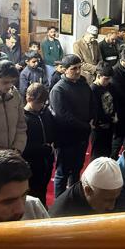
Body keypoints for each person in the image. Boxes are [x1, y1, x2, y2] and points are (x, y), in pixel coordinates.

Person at [51, 157, 123, 249]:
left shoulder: (104, 195)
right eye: (107, 200)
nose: (112, 206)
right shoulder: (62, 215)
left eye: (115, 199)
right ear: (88, 190)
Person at [49, 54, 95, 197]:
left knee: (77, 169)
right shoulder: (58, 89)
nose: (78, 71)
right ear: (64, 69)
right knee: (63, 172)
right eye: (74, 68)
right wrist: (85, 125)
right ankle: (59, 202)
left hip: (82, 136)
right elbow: (63, 117)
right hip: (66, 138)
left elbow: (91, 103)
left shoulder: (83, 84)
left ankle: (72, 198)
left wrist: (91, 120)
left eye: (79, 67)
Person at [22, 84, 56, 206]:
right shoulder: (23, 118)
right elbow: (24, 146)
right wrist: (43, 149)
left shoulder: (45, 112)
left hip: (46, 160)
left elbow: (52, 130)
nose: (41, 105)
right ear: (28, 98)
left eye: (43, 103)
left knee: (43, 189)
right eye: (37, 103)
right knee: (32, 193)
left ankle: (43, 208)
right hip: (32, 164)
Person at [90, 64, 116, 160]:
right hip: (99, 126)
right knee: (97, 155)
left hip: (110, 123)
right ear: (98, 76)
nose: (108, 81)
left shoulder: (110, 86)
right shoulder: (93, 89)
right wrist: (101, 121)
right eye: (106, 79)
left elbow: (114, 102)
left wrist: (114, 115)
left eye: (109, 79)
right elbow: (95, 109)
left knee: (107, 152)